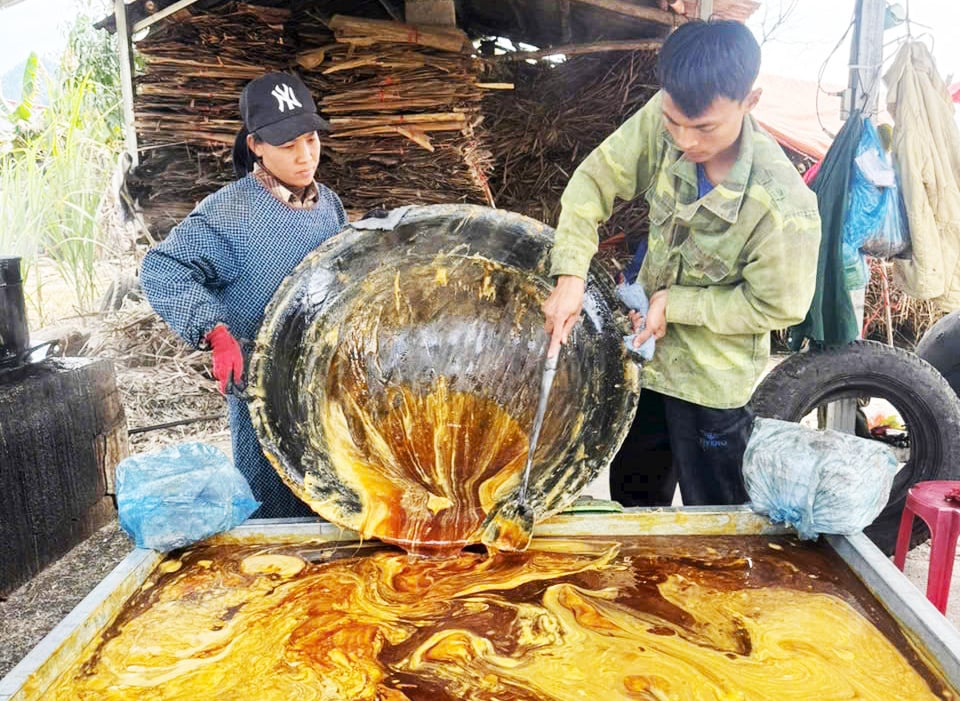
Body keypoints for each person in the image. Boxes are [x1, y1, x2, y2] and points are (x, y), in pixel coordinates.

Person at [542, 20, 821, 507]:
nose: (685, 140)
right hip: (646, 363)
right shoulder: (665, 117)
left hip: (712, 384)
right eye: (674, 122)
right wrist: (570, 275)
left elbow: (780, 306)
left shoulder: (782, 206)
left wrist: (676, 305)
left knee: (711, 516)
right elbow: (592, 184)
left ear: (750, 102)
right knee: (635, 500)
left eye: (704, 127)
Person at [141, 72, 347, 518]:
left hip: (326, 391)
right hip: (264, 398)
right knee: (279, 524)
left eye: (311, 140)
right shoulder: (229, 213)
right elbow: (161, 268)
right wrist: (214, 331)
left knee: (337, 516)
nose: (305, 156)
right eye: (288, 145)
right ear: (255, 145)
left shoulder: (328, 204)